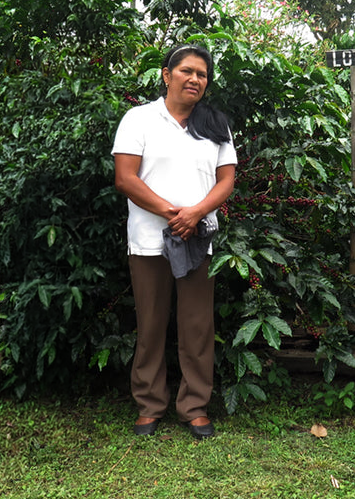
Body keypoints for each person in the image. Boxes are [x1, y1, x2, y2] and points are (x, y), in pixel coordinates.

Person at [112, 44, 236, 439]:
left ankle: (194, 406)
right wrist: (173, 213)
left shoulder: (216, 124)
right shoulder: (139, 119)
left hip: (198, 239)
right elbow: (126, 178)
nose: (195, 79)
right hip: (150, 241)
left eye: (202, 74)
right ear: (166, 75)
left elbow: (227, 179)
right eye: (186, 71)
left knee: (197, 326)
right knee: (150, 324)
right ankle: (149, 404)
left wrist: (195, 214)